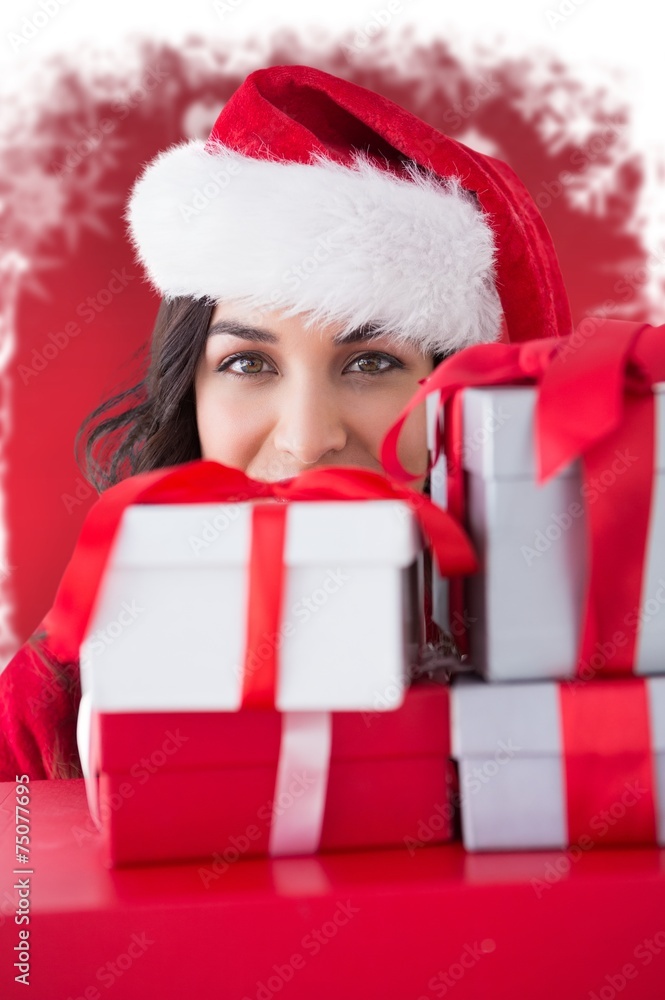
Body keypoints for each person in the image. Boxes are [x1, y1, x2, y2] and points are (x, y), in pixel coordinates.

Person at [0, 63, 571, 780]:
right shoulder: (63, 688)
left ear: (462, 395)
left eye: (370, 364)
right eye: (248, 365)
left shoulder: (582, 662)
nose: (306, 440)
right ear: (192, 393)